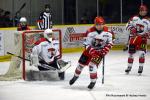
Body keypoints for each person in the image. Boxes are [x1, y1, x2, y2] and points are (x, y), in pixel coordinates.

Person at [69, 16, 113, 89]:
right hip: (88, 51)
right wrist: (92, 51)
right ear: (95, 24)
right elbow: (86, 44)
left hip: (99, 52)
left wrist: (106, 49)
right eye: (98, 24)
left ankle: (93, 81)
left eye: (101, 24)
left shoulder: (109, 32)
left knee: (92, 66)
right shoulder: (89, 31)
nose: (100, 26)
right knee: (80, 65)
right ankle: (75, 76)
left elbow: (111, 42)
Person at [125, 4, 150, 75]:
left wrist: (148, 34)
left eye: (145, 11)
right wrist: (132, 29)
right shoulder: (134, 18)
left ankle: (140, 67)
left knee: (141, 54)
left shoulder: (148, 20)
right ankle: (129, 67)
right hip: (133, 38)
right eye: (142, 11)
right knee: (131, 54)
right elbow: (127, 25)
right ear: (140, 11)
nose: (144, 12)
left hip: (143, 39)